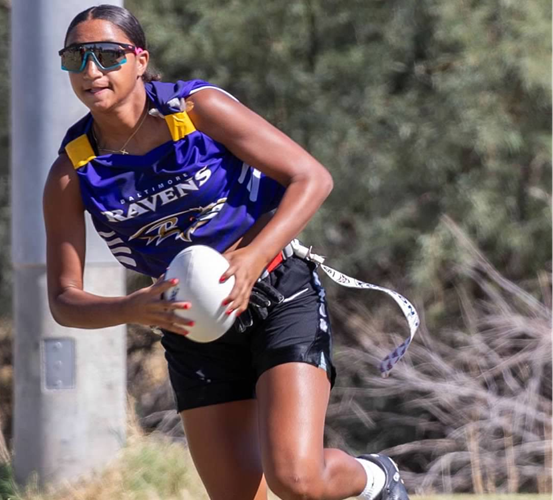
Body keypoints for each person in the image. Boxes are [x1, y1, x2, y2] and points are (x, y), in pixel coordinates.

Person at [43, 6, 408, 500]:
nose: (91, 71)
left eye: (108, 55)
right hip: (192, 326)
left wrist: (255, 255)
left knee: (296, 480)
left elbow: (312, 177)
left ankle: (375, 478)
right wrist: (131, 308)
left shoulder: (195, 110)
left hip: (277, 294)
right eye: (75, 57)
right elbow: (64, 299)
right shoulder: (72, 173)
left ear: (140, 60)